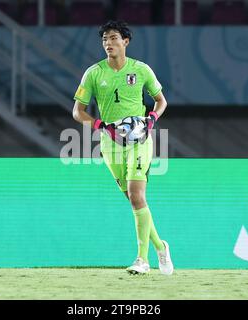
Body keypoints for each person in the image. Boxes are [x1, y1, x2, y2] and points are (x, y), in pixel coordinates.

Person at [72, 21, 173, 275]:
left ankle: (142, 259)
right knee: (133, 200)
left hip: (140, 140)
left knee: (137, 195)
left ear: (125, 42)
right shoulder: (93, 73)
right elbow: (77, 111)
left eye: (114, 38)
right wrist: (100, 125)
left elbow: (161, 101)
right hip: (110, 142)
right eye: (105, 39)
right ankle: (161, 247)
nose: (108, 43)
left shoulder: (141, 70)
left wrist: (151, 119)